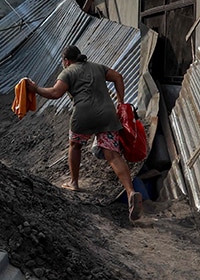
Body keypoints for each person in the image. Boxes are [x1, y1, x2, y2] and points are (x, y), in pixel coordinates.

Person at [26, 45, 142, 221]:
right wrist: (120, 102)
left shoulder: (68, 72)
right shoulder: (97, 67)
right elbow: (118, 76)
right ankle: (131, 191)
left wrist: (36, 90)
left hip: (83, 115)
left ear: (66, 61)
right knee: (113, 155)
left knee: (75, 145)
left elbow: (56, 93)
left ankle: (74, 182)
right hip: (107, 115)